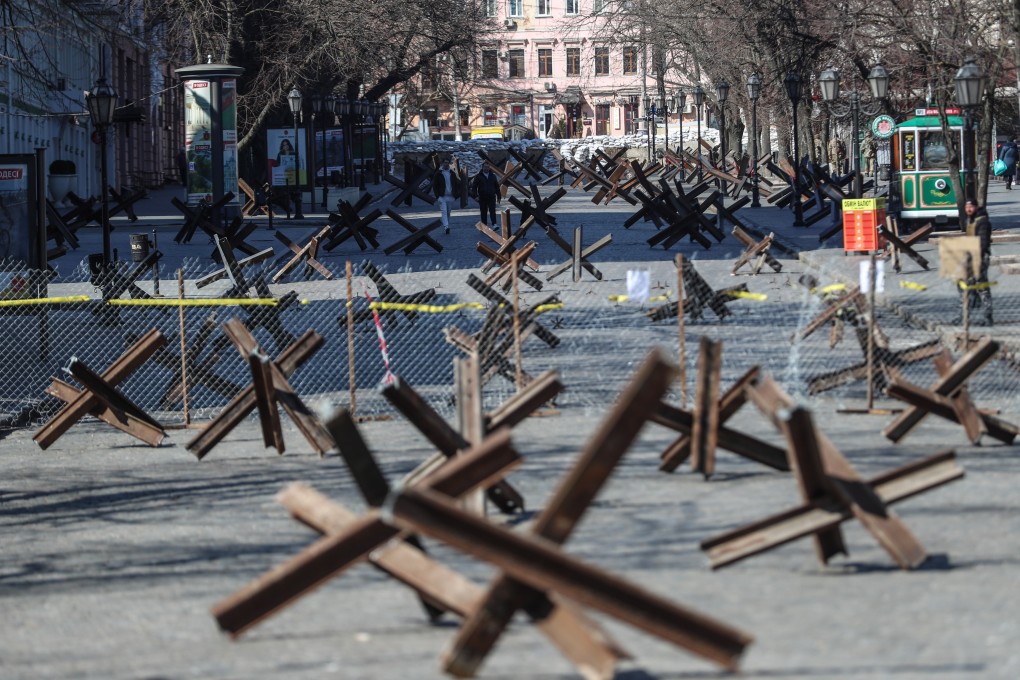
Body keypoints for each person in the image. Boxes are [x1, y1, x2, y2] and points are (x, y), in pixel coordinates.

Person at [959, 199, 993, 325]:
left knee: (982, 287)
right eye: (966, 207)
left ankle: (987, 317)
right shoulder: (971, 220)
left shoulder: (982, 222)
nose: (968, 209)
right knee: (965, 286)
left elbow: (983, 242)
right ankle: (965, 316)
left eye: (970, 207)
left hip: (980, 258)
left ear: (976, 207)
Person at [432, 158, 461, 234]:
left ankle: (447, 225)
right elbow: (434, 185)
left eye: (448, 163)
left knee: (448, 212)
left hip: (451, 196)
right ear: (442, 164)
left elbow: (456, 184)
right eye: (445, 162)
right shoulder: (438, 173)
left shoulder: (452, 173)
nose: (446, 164)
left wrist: (456, 194)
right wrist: (437, 196)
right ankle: (446, 226)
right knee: (444, 211)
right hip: (442, 196)